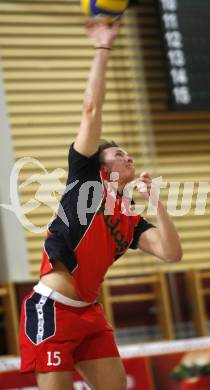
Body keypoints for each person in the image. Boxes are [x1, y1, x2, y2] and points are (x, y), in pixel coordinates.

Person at [19, 20, 182, 390]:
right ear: (99, 163)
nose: (128, 157)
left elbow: (171, 254)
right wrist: (102, 49)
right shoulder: (85, 180)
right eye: (118, 152)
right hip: (54, 308)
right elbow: (92, 109)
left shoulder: (130, 218)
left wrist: (158, 205)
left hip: (90, 315)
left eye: (129, 153)